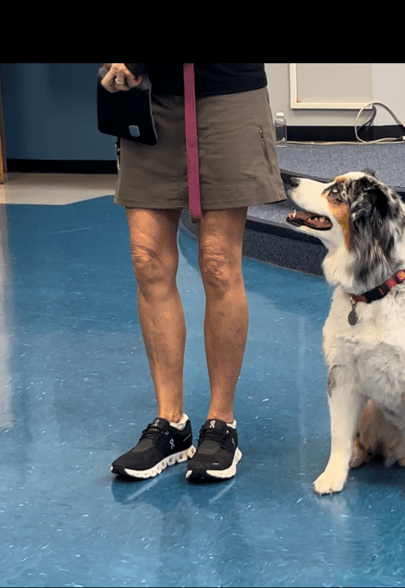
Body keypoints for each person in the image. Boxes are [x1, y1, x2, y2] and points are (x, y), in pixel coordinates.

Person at [104, 63, 286, 481]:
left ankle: (221, 424)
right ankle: (171, 424)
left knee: (219, 263)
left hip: (225, 94)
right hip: (150, 96)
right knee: (147, 259)